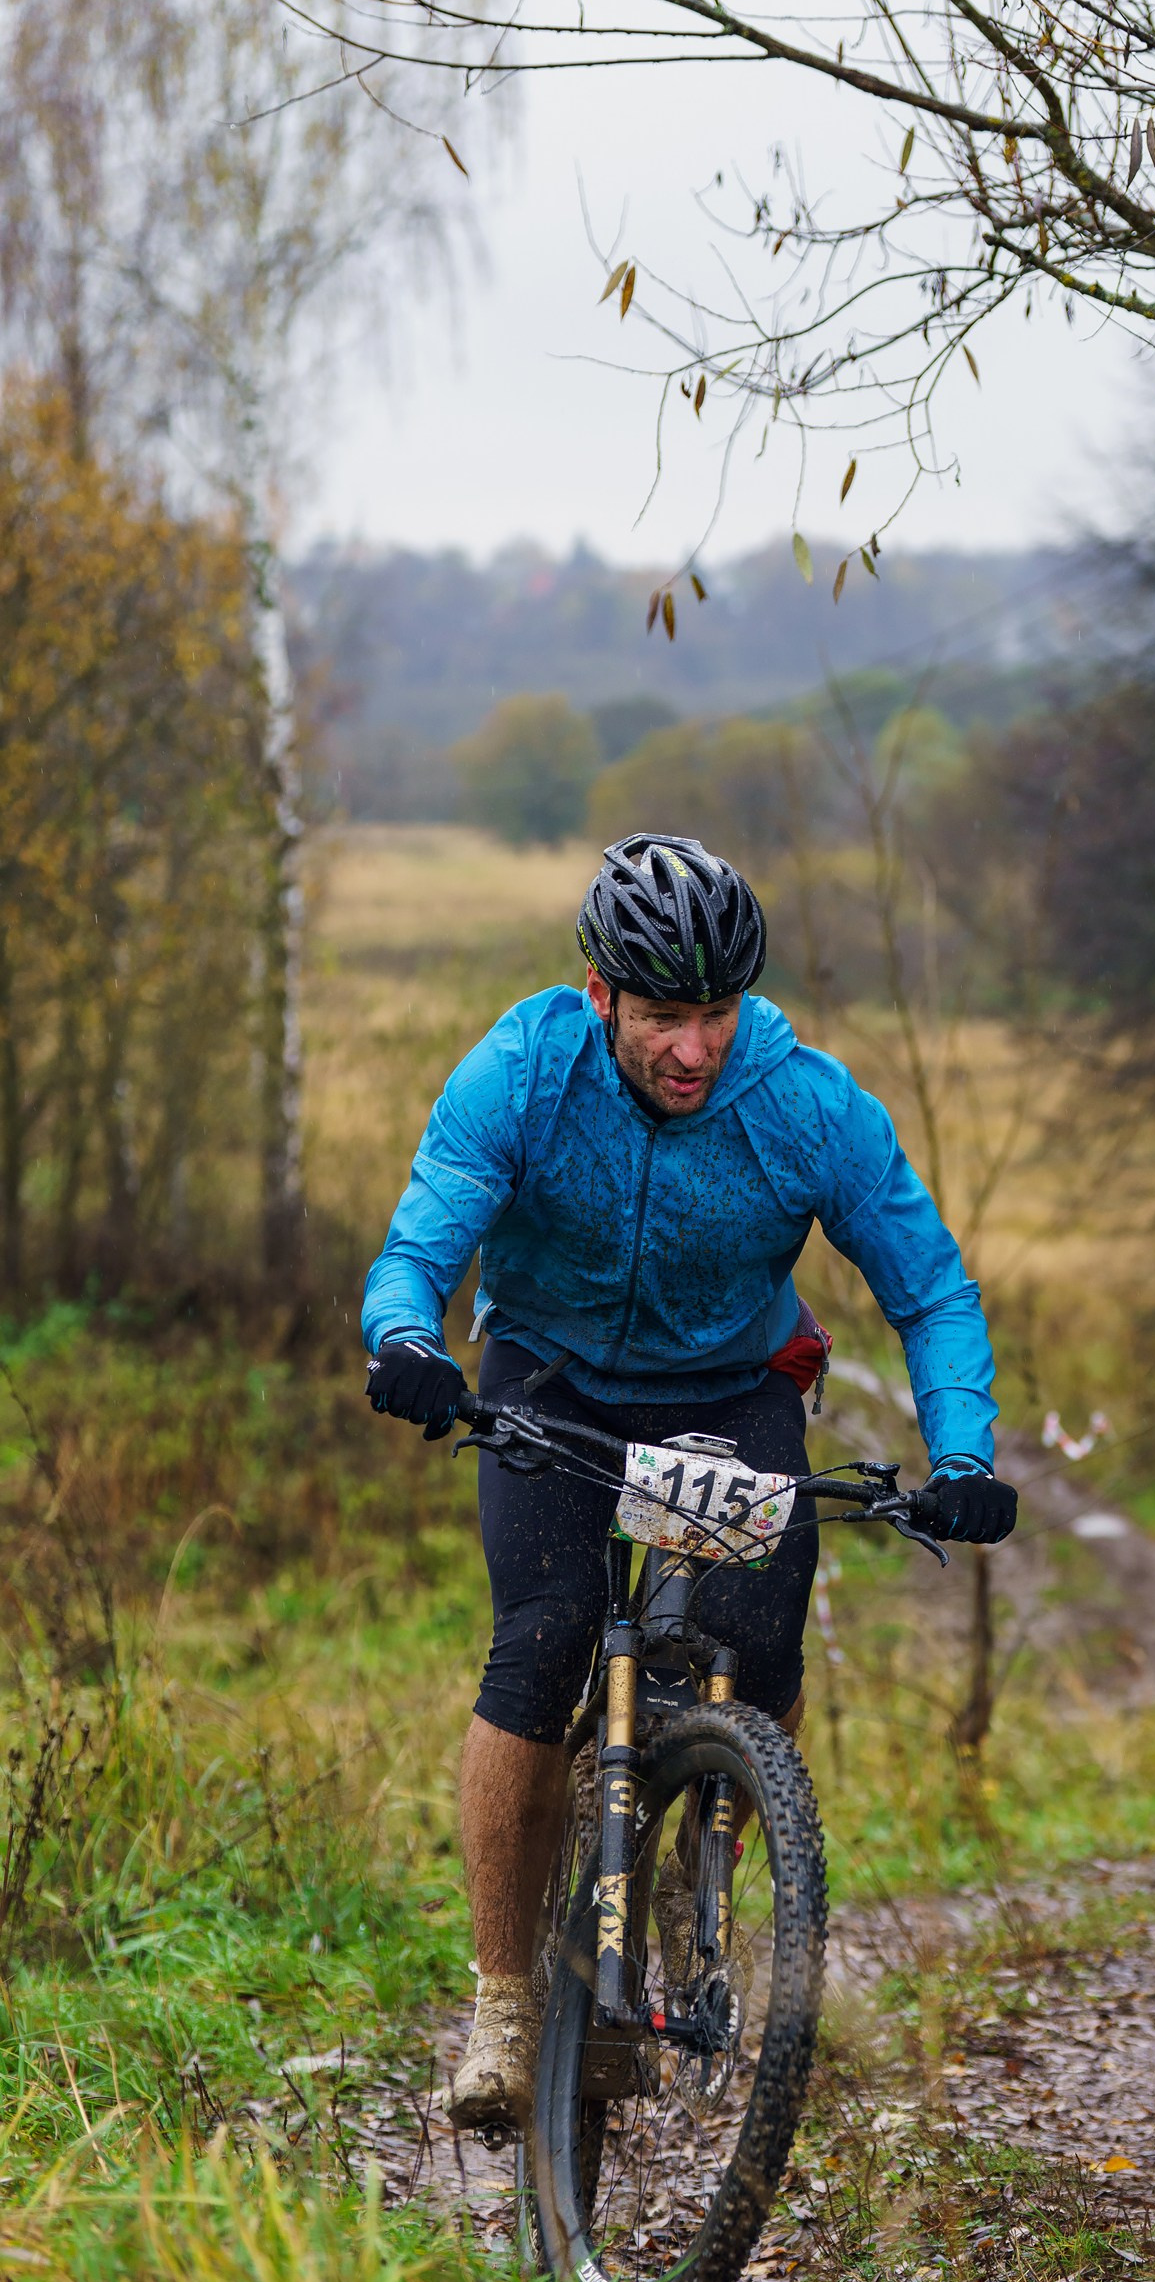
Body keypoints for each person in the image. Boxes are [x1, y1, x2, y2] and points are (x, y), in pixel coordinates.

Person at [362, 831, 1016, 2133]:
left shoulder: (806, 1104)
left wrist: (963, 1456)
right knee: (542, 1642)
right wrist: (407, 1341)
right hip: (552, 1382)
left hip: (730, 1393)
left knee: (758, 1652)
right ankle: (504, 2005)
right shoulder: (522, 1072)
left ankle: (698, 1852)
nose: (695, 1049)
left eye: (718, 1013)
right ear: (601, 994)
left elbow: (930, 1289)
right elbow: (422, 1239)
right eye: (664, 1016)